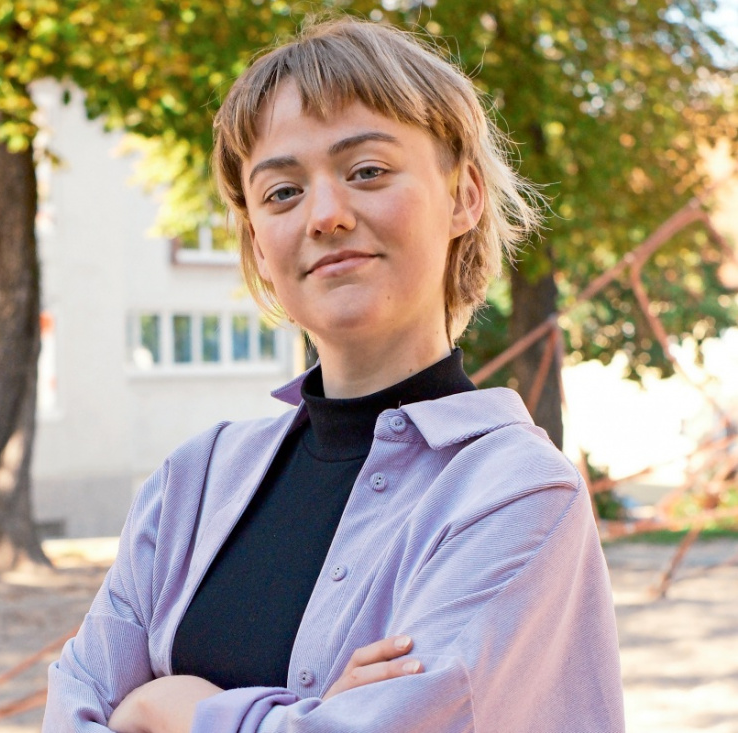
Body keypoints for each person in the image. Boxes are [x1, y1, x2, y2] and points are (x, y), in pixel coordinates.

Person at [44, 16, 624, 733]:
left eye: (367, 171)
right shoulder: (189, 485)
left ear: (464, 197)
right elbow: (71, 709)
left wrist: (159, 706)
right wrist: (305, 718)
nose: (325, 215)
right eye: (282, 192)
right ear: (258, 244)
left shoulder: (518, 495)